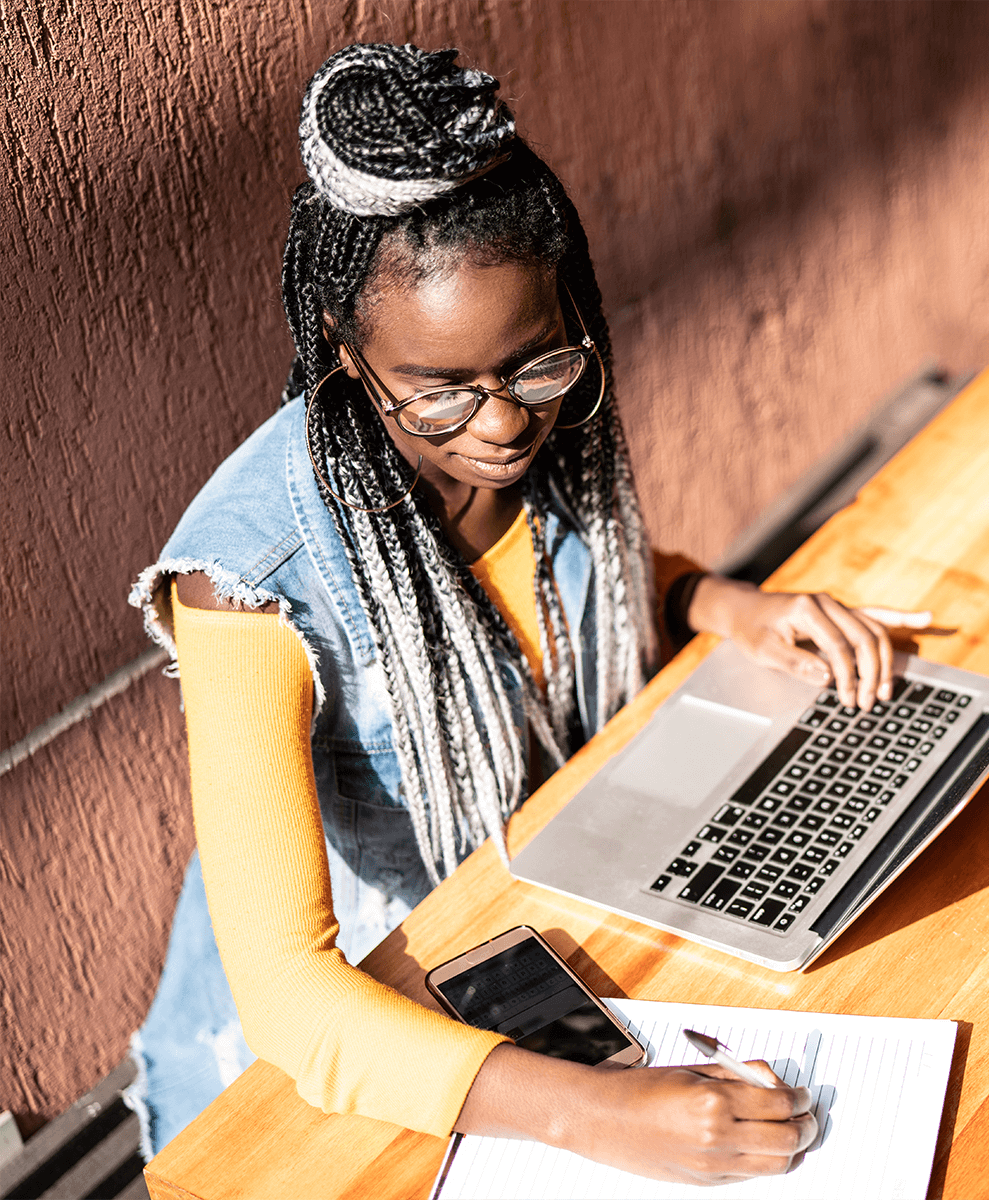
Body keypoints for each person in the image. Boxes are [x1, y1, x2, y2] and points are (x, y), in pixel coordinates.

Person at [124, 42, 927, 1184]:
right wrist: (596, 1119)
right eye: (443, 392)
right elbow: (293, 1000)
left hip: (535, 916)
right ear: (345, 358)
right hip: (362, 1044)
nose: (503, 425)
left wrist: (720, 603)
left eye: (534, 367)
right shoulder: (246, 582)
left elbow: (560, 588)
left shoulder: (541, 426)